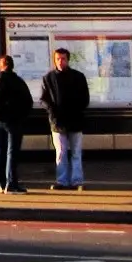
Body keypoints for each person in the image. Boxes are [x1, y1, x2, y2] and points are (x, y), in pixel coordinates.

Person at [40, 48, 91, 191]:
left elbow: (85, 98)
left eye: (63, 59)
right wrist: (52, 111)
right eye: (58, 59)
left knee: (76, 152)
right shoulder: (48, 78)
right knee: (61, 152)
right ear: (54, 60)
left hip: (75, 120)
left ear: (68, 60)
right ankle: (61, 181)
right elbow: (44, 99)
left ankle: (77, 181)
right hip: (57, 121)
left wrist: (77, 109)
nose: (60, 61)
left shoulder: (78, 77)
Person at [0, 54, 32, 193]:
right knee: (12, 152)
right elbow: (27, 101)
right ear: (12, 66)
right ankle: (11, 184)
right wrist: (21, 116)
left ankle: (1, 184)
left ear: (0, 65)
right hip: (13, 121)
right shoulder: (18, 81)